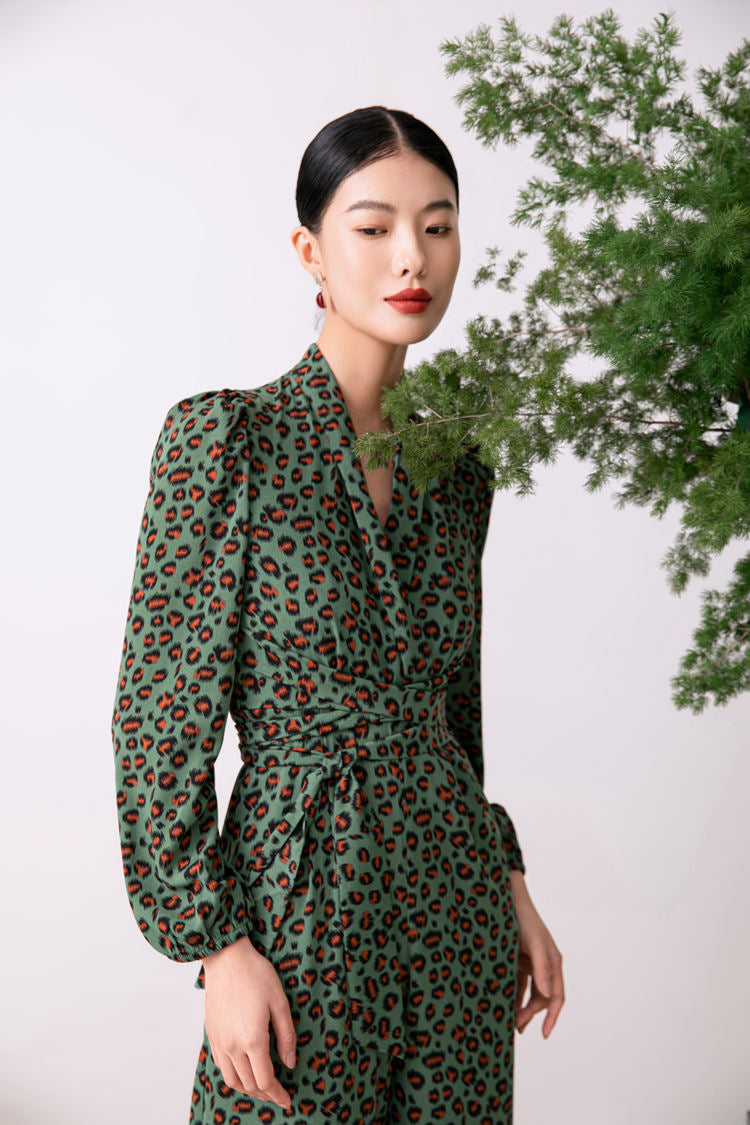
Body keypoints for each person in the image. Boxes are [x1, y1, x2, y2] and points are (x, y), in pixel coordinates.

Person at [110, 104, 564, 1125]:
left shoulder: (457, 470)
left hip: (457, 909)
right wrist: (219, 949)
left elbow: (455, 719)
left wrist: (510, 882)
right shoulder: (228, 443)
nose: (412, 257)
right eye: (374, 227)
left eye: (438, 226)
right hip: (301, 906)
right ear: (310, 250)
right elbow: (157, 727)